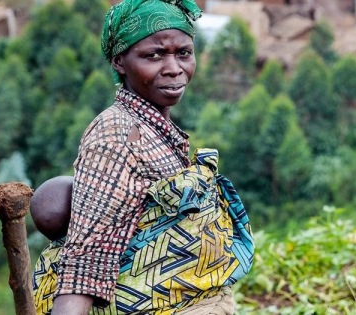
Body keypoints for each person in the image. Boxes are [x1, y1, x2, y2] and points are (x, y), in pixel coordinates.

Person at [32, 1, 254, 314]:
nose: (175, 68)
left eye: (183, 53)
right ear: (120, 62)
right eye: (154, 55)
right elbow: (86, 260)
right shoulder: (115, 135)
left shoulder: (152, 126)